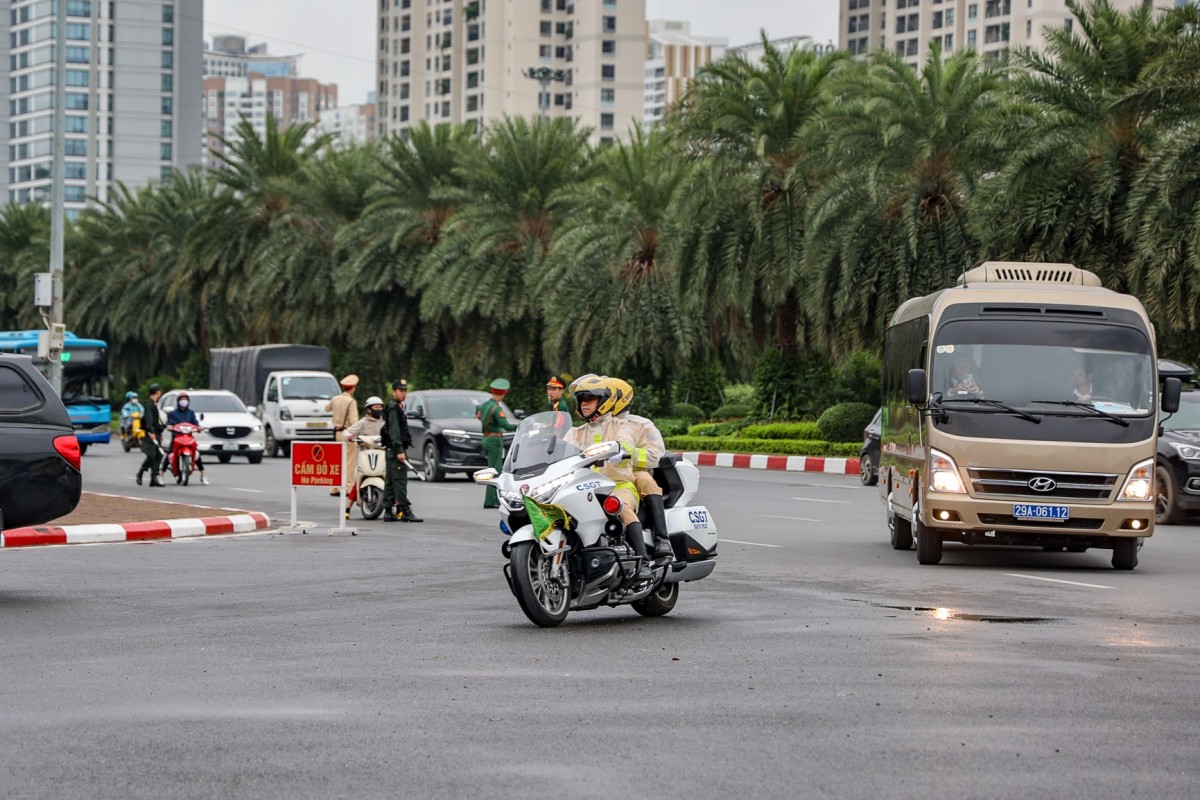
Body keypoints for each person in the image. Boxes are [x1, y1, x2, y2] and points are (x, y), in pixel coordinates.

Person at [563, 375, 651, 581]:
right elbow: (560, 451)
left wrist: (622, 451)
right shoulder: (575, 432)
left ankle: (643, 561)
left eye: (590, 399)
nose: (584, 404)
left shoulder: (620, 425)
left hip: (618, 486)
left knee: (620, 506)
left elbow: (627, 442)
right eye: (581, 399)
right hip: (584, 489)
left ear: (604, 401)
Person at [608, 376, 673, 559]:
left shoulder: (641, 425)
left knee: (645, 481)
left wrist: (628, 456)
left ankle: (661, 538)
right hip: (605, 474)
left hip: (634, 472)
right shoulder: (596, 426)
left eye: (607, 397)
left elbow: (655, 455)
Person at [382, 379, 423, 523]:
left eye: (405, 390)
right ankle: (405, 511)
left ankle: (388, 511)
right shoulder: (394, 409)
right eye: (401, 391)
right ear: (394, 392)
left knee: (391, 481)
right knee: (399, 481)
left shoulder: (397, 407)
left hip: (392, 450)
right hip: (395, 450)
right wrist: (399, 450)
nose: (404, 393)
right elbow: (394, 432)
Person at [477, 378, 518, 509]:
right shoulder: (496, 408)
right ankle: (491, 500)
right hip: (495, 440)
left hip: (486, 438)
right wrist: (520, 426)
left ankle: (492, 499)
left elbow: (477, 414)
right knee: (495, 471)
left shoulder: (484, 405)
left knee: (491, 469)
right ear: (503, 393)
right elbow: (505, 425)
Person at [343, 395, 387, 519]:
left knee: (390, 479)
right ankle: (347, 509)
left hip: (382, 455)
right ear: (368, 409)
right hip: (365, 454)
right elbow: (347, 432)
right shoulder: (362, 423)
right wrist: (350, 436)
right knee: (358, 479)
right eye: (375, 407)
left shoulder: (384, 422)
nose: (378, 409)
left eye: (380, 407)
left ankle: (398, 506)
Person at [159, 390, 209, 485]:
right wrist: (169, 426)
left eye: (185, 399)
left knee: (197, 454)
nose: (184, 401)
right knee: (169, 454)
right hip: (176, 437)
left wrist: (198, 428)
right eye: (182, 399)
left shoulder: (191, 413)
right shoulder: (173, 413)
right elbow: (169, 423)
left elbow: (195, 423)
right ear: (178, 401)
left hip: (189, 438)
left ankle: (203, 475)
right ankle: (161, 475)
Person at [326, 374, 360, 497]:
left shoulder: (335, 399)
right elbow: (354, 421)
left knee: (337, 461)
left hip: (336, 433)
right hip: (348, 434)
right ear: (353, 388)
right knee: (350, 461)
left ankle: (334, 487)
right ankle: (347, 487)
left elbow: (327, 408)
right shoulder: (351, 401)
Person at [135, 384, 166, 487]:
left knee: (159, 454)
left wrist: (159, 433)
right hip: (149, 434)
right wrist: (151, 432)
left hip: (155, 433)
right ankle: (141, 472)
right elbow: (148, 420)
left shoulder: (154, 404)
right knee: (151, 455)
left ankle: (154, 478)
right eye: (160, 392)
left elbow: (157, 421)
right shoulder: (148, 405)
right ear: (157, 392)